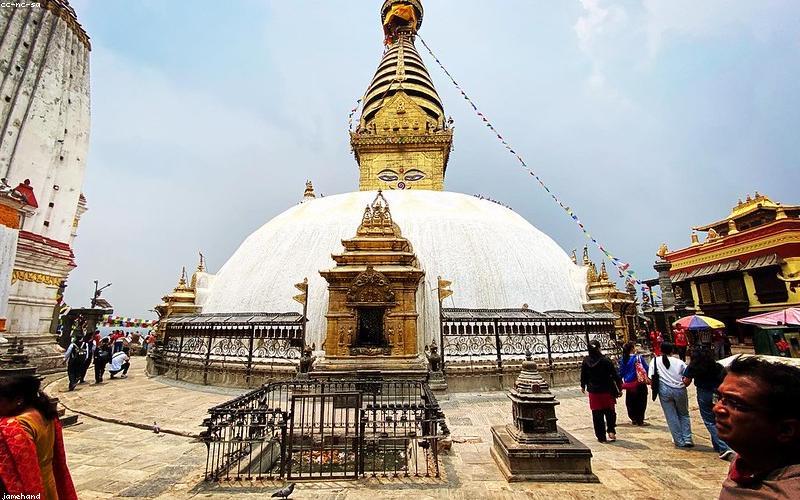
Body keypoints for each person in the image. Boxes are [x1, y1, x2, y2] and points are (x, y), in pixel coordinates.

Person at [716, 356, 800, 498]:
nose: (718, 408)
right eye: (720, 398)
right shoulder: (750, 459)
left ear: (785, 430)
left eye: (736, 404)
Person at [0, 375, 78, 500]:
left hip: (27, 487)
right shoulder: (43, 412)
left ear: (18, 400)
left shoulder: (16, 426)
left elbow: (14, 467)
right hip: (47, 479)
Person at [682, 346, 733, 460]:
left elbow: (686, 382)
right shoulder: (717, 366)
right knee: (719, 418)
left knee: (709, 421)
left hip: (703, 393)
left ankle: (725, 447)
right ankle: (718, 445)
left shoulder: (693, 367)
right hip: (717, 393)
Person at [648, 342, 693, 448]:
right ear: (672, 350)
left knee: (671, 415)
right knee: (684, 414)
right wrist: (684, 384)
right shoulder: (680, 362)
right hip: (680, 389)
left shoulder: (655, 361)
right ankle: (687, 438)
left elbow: (650, 379)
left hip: (664, 390)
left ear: (661, 350)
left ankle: (679, 440)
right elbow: (688, 376)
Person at [580, 340, 623, 443]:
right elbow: (614, 374)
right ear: (599, 348)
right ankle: (611, 430)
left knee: (597, 414)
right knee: (610, 411)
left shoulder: (586, 361)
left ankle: (601, 437)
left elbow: (583, 375)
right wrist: (619, 387)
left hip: (594, 391)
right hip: (607, 390)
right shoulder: (606, 360)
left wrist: (583, 385)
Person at [618, 341, 649, 426]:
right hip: (639, 382)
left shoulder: (623, 359)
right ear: (632, 348)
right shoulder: (638, 358)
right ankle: (640, 419)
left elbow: (620, 372)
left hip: (629, 384)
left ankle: (633, 418)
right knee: (641, 402)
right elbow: (646, 368)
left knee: (631, 402)